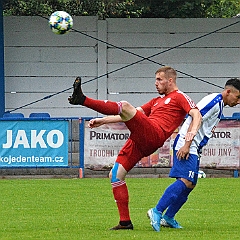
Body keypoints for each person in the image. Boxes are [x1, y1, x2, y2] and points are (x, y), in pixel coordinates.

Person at [68, 66, 202, 230]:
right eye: (156, 80)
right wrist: (103, 120)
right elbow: (129, 113)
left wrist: (192, 133)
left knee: (124, 105)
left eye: (159, 80)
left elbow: (196, 114)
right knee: (115, 175)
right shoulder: (155, 101)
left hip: (154, 133)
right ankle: (125, 222)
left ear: (170, 80)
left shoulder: (179, 97)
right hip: (141, 138)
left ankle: (82, 100)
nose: (156, 83)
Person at [147, 78, 240, 232]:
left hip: (193, 146)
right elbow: (196, 117)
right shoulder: (214, 101)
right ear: (228, 92)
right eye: (237, 97)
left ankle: (168, 217)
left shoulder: (219, 104)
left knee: (191, 184)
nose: (237, 102)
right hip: (187, 144)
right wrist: (187, 144)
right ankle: (156, 211)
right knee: (186, 180)